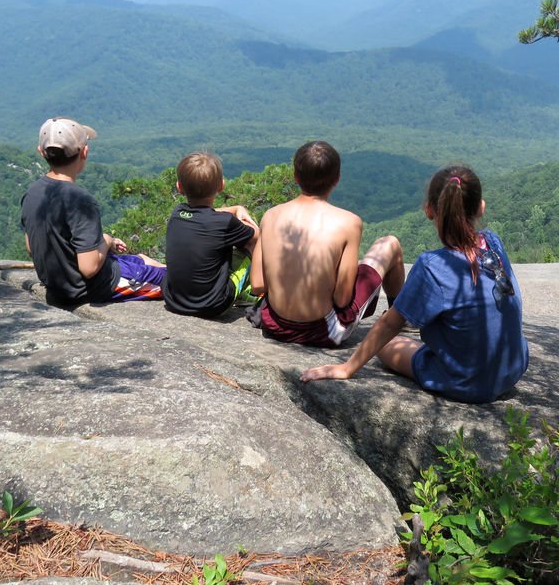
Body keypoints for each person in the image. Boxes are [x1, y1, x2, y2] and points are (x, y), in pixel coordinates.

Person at [300, 164, 529, 403]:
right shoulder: (493, 243)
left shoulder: (433, 266)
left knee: (388, 346)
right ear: (481, 208)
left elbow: (389, 325)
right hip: (512, 369)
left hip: (464, 382)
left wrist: (347, 368)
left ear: (429, 211)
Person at [250, 140, 405, 347]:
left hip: (275, 325)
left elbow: (258, 285)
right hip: (324, 331)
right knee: (390, 244)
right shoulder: (349, 222)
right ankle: (399, 317)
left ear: (295, 177)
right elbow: (342, 299)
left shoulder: (270, 216)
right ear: (337, 179)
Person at [21, 117, 167, 306]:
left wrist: (105, 242)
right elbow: (89, 268)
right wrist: (106, 241)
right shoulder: (80, 199)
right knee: (175, 280)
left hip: (59, 285)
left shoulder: (31, 193)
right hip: (90, 288)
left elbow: (32, 248)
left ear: (41, 152)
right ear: (85, 152)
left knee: (143, 259)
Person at [163, 151, 260, 317]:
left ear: (179, 187)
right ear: (221, 186)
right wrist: (240, 214)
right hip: (214, 305)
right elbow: (258, 235)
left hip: (173, 300)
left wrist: (236, 209)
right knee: (251, 243)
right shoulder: (225, 222)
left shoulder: (177, 212)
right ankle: (256, 291)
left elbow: (203, 215)